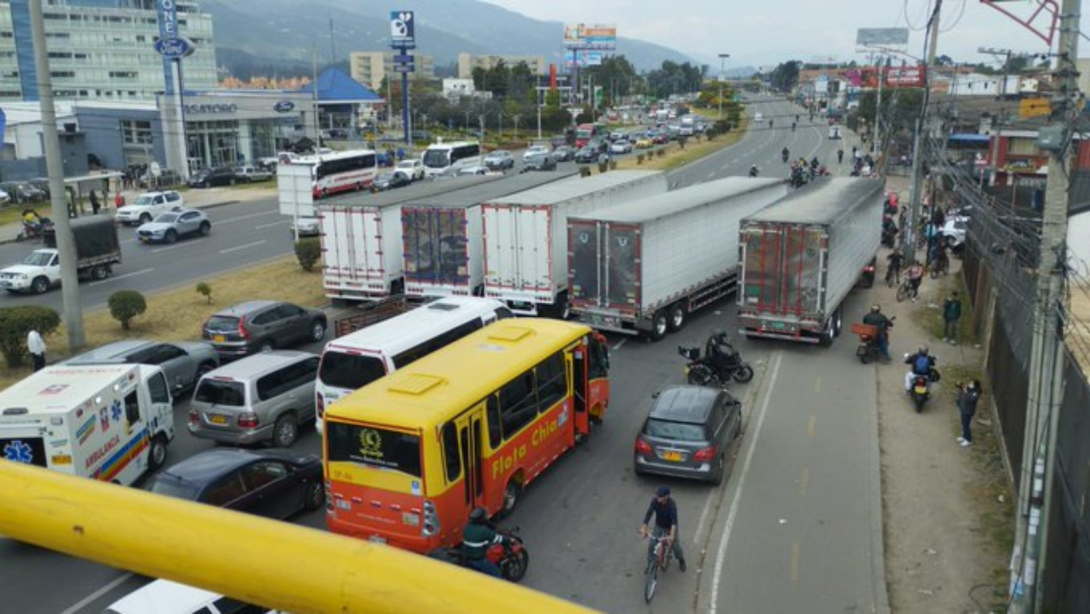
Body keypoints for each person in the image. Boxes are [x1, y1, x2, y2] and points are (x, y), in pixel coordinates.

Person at [640, 486, 686, 572]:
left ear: (666, 497)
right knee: (652, 545)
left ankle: (681, 559)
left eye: (660, 496)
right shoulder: (655, 501)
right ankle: (650, 565)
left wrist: (672, 535)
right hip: (659, 525)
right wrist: (644, 526)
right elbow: (649, 513)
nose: (658, 497)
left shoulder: (672, 505)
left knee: (676, 547)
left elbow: (673, 521)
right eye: (657, 495)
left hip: (670, 527)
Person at [461, 507, 503, 577]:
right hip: (478, 560)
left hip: (467, 557)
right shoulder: (483, 531)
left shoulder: (466, 527)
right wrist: (507, 539)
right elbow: (498, 538)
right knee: (497, 573)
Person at [956, 380, 982, 447]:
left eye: (972, 384)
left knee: (966, 425)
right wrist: (960, 385)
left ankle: (969, 440)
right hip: (963, 409)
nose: (970, 384)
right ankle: (964, 436)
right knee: (963, 424)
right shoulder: (968, 388)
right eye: (970, 383)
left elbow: (971, 400)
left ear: (975, 385)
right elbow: (959, 387)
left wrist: (966, 392)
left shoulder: (975, 393)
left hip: (968, 411)